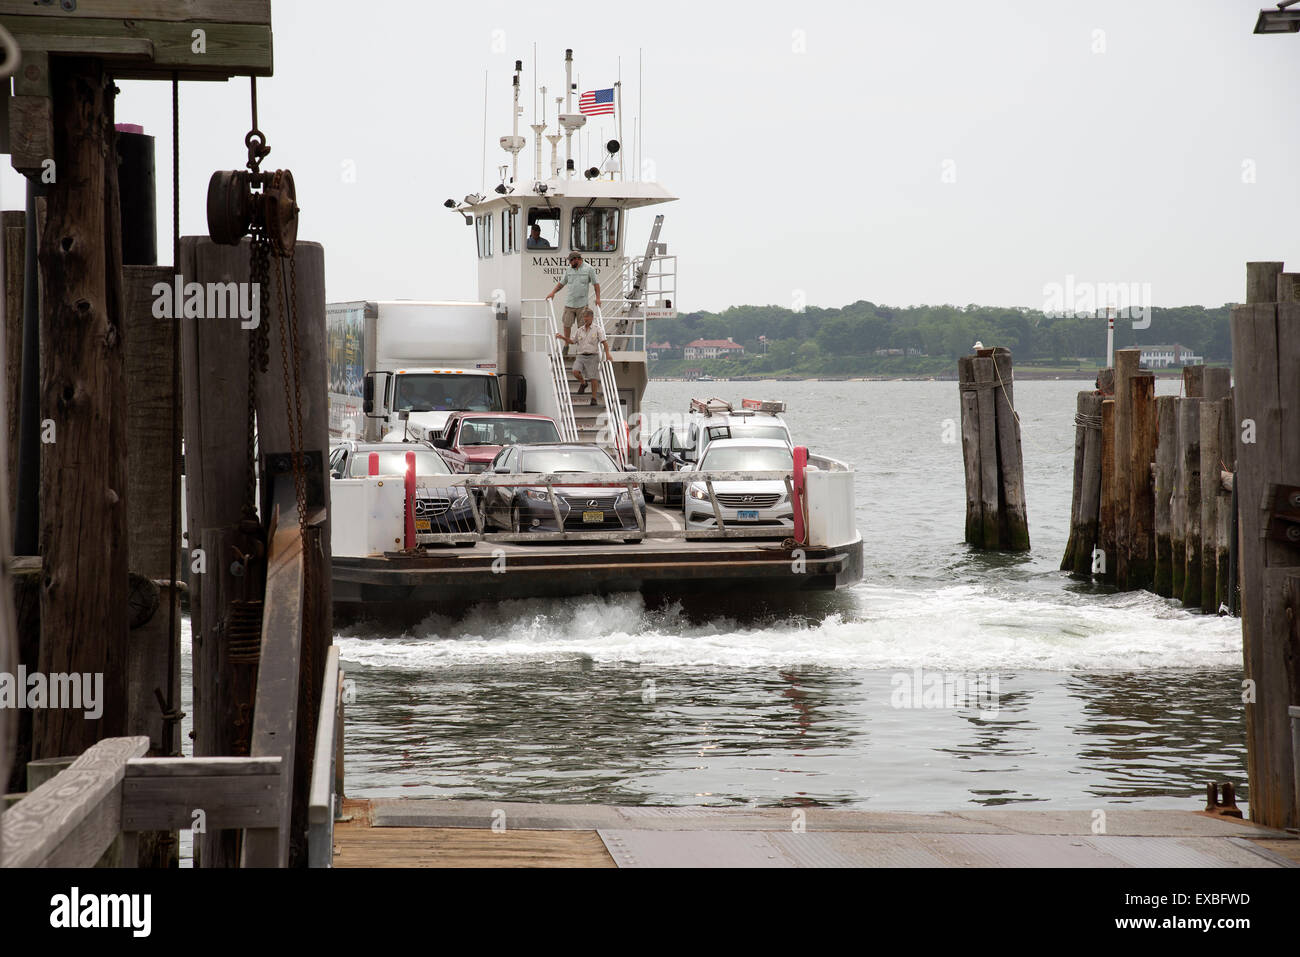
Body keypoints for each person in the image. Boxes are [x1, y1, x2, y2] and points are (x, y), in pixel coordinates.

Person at [555, 308, 612, 403]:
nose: (585, 319)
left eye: (587, 317)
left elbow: (604, 343)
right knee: (575, 371)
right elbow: (572, 341)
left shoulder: (597, 329)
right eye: (584, 317)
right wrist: (562, 337)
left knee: (593, 377)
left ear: (592, 317)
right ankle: (583, 383)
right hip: (580, 356)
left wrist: (608, 355)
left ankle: (593, 398)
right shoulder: (579, 330)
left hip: (593, 355)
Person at [546, 252, 601, 338]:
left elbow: (596, 284)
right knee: (566, 324)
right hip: (570, 303)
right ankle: (566, 344)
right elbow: (561, 283)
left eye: (570, 261)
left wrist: (598, 298)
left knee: (583, 327)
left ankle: (582, 347)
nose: (569, 263)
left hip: (582, 304)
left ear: (576, 259)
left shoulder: (589, 269)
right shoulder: (568, 269)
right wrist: (553, 293)